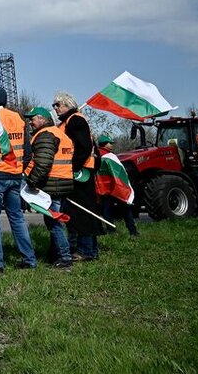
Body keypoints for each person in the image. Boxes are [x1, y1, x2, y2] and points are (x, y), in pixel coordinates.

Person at [0, 86, 37, 273]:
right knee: (17, 217)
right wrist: (19, 169)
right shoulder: (17, 119)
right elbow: (27, 152)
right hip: (14, 175)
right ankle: (29, 260)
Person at [24, 107, 74, 269]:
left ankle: (65, 258)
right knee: (55, 221)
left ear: (43, 119)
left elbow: (44, 163)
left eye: (33, 119)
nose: (30, 122)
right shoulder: (59, 133)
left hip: (53, 184)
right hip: (63, 182)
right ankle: (54, 255)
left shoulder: (45, 135)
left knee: (54, 223)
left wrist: (32, 182)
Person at [53, 92, 102, 261]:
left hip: (81, 174)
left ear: (68, 105)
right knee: (81, 211)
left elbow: (84, 147)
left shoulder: (75, 120)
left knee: (81, 212)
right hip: (81, 171)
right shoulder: (70, 121)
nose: (55, 108)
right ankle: (88, 249)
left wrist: (72, 168)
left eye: (58, 105)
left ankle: (85, 250)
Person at [97, 135, 139, 237]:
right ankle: (132, 231)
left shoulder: (96, 156)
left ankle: (111, 231)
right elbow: (120, 172)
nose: (111, 145)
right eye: (110, 143)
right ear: (105, 144)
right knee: (125, 209)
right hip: (115, 188)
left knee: (106, 210)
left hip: (104, 189)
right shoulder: (110, 157)